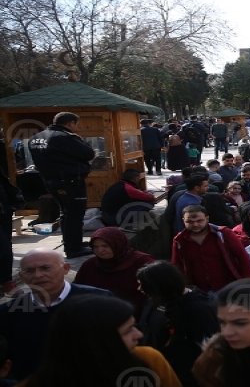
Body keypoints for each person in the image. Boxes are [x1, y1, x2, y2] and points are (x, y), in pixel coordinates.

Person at [21, 294, 182, 387]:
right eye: (127, 331)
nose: (138, 335)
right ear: (94, 339)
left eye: (134, 326)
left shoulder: (149, 359)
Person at [0, 249, 112, 380]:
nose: (38, 275)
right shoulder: (9, 312)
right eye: (29, 271)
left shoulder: (100, 300)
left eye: (45, 268)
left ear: (65, 268)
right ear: (22, 276)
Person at [137, 261, 219, 387]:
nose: (140, 289)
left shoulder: (198, 309)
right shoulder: (156, 301)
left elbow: (208, 347)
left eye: (144, 286)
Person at [27, 112, 95, 258]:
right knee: (75, 215)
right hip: (70, 181)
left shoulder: (36, 138)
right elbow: (89, 153)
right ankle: (73, 248)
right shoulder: (63, 137)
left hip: (51, 181)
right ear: (70, 123)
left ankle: (71, 242)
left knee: (66, 213)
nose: (77, 128)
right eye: (76, 124)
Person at [73, 227, 155, 317]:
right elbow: (77, 292)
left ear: (117, 244)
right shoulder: (90, 265)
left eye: (105, 246)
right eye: (96, 247)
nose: (100, 250)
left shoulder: (142, 262)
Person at [170, 205, 250, 293]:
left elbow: (242, 257)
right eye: (190, 222)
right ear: (183, 221)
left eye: (199, 221)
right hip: (199, 291)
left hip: (228, 287)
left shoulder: (223, 233)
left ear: (207, 219)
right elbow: (176, 266)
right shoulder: (179, 240)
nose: (195, 224)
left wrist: (246, 282)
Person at [0, 167, 23, 295]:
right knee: (3, 247)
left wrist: (13, 200)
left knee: (6, 247)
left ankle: (6, 281)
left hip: (3, 212)